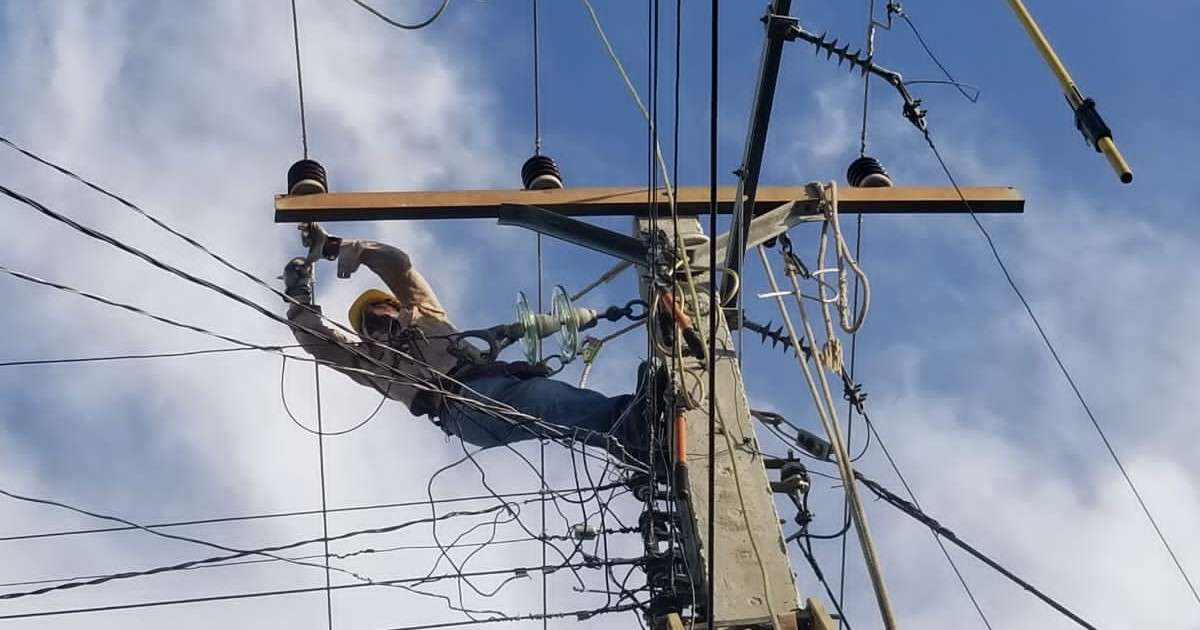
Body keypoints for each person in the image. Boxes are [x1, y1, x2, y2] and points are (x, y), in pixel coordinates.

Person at [282, 237, 647, 458]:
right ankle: (635, 424)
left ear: (394, 305)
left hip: (486, 385)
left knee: (559, 410)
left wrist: (349, 249)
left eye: (376, 310)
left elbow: (399, 266)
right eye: (365, 324)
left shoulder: (425, 314)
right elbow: (319, 343)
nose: (372, 322)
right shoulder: (369, 361)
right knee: (550, 402)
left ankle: (637, 440)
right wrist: (299, 294)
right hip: (461, 410)